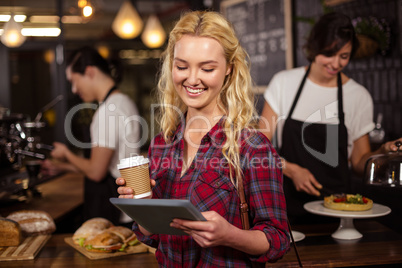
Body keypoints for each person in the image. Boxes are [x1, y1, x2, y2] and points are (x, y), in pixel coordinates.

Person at [116, 10, 290, 267]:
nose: (192, 79)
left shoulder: (251, 147)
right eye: (182, 66)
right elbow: (151, 235)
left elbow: (278, 240)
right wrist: (142, 208)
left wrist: (231, 235)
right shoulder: (161, 144)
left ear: (229, 69)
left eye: (207, 68)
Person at [258, 12, 402, 224]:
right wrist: (290, 169)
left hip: (338, 211)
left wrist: (382, 152)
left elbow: (359, 163)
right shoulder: (284, 83)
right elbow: (258, 146)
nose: (335, 63)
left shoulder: (358, 96)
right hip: (286, 208)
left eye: (343, 56)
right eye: (329, 53)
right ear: (315, 48)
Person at [42, 46, 141, 226]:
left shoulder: (108, 111)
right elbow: (111, 165)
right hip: (129, 206)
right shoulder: (123, 101)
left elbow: (96, 172)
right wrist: (64, 167)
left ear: (89, 72)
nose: (73, 89)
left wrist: (66, 154)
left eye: (74, 80)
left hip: (117, 210)